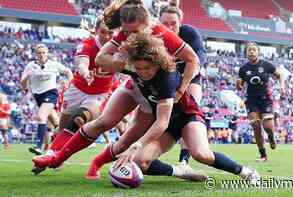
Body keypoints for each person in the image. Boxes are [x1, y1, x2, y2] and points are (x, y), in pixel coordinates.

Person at [33, 32, 260, 184]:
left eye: (147, 68)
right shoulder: (136, 67)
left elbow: (161, 121)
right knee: (140, 161)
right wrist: (117, 37)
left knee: (201, 154)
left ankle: (246, 172)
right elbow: (102, 59)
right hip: (165, 124)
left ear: (157, 62)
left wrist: (137, 143)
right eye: (138, 68)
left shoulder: (167, 77)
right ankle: (180, 171)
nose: (143, 73)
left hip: (186, 117)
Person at [32, 2, 204, 181]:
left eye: (134, 31)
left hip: (154, 93)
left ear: (147, 23)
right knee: (103, 122)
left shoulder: (163, 34)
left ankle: (96, 163)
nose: (128, 36)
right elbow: (101, 58)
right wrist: (129, 66)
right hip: (135, 84)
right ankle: (56, 158)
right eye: (125, 31)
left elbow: (193, 60)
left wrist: (180, 89)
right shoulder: (126, 33)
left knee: (128, 138)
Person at [30, 16, 116, 175]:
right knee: (61, 129)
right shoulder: (87, 45)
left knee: (79, 118)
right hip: (76, 90)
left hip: (99, 94)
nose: (107, 36)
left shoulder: (119, 46)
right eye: (103, 32)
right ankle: (50, 158)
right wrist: (85, 73)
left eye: (111, 32)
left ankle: (52, 156)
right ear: (96, 31)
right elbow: (81, 63)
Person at [159, 5, 206, 165]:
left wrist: (188, 78)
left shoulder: (189, 32)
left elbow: (200, 54)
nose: (170, 28)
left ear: (180, 23)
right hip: (165, 78)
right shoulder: (152, 35)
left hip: (188, 74)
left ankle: (184, 159)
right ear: (159, 22)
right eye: (165, 23)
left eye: (174, 23)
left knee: (190, 111)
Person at [20, 44, 73, 156]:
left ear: (47, 53)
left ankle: (38, 147)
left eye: (44, 52)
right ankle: (66, 145)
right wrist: (26, 78)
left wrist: (70, 83)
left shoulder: (53, 64)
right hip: (38, 97)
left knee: (41, 116)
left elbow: (68, 71)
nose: (42, 55)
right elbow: (23, 84)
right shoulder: (30, 66)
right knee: (57, 124)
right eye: (39, 53)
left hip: (50, 93)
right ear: (35, 54)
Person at [236, 42, 285, 162]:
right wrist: (239, 86)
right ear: (246, 53)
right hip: (251, 100)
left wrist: (282, 86)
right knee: (256, 126)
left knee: (267, 127)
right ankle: (263, 155)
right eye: (249, 50)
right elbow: (240, 85)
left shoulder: (266, 65)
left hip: (265, 100)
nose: (251, 52)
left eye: (254, 50)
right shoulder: (243, 69)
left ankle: (271, 136)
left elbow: (280, 74)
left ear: (258, 52)